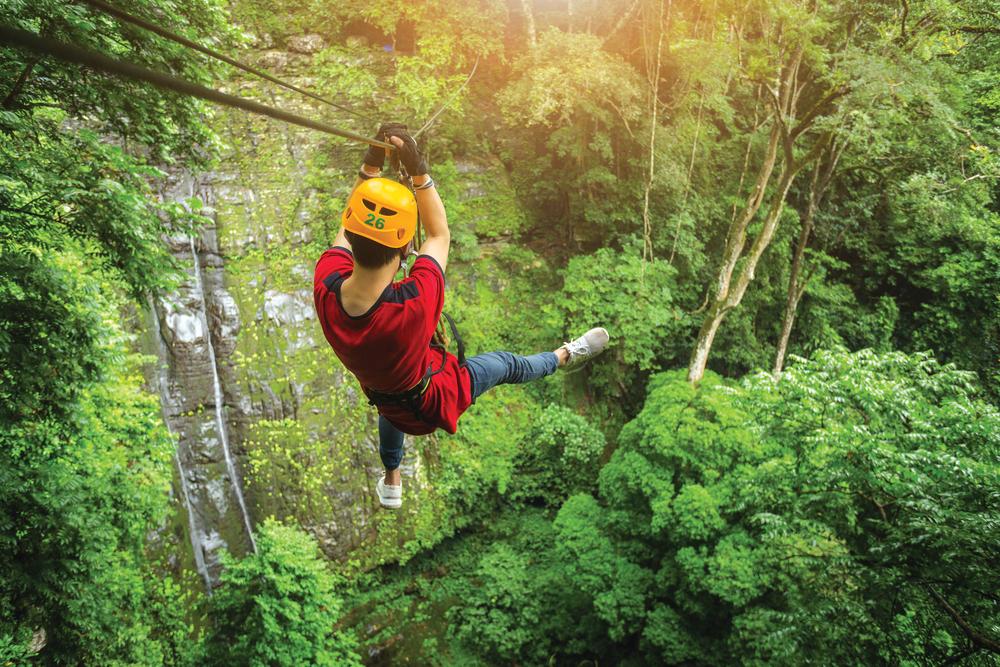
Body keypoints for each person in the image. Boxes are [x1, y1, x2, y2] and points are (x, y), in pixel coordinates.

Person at [313, 124, 609, 509]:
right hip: (434, 399)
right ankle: (564, 356)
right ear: (405, 250)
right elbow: (439, 235)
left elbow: (351, 225)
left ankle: (392, 478)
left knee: (391, 405)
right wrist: (416, 168)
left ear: (352, 240)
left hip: (385, 393)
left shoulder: (326, 285)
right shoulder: (413, 304)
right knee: (505, 365)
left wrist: (373, 167)